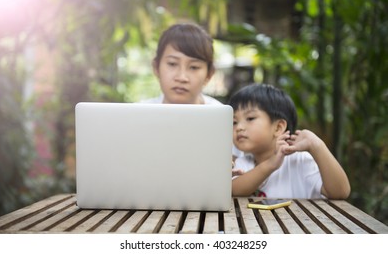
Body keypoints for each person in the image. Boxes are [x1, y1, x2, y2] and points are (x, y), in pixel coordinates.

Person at [140, 22, 243, 161]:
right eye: (172, 64)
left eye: (194, 67)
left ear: (209, 74)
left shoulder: (222, 121)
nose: (182, 77)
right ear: (156, 67)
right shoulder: (139, 115)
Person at [230, 83, 351, 199]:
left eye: (250, 118)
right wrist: (271, 164)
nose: (239, 127)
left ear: (278, 127)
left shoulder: (300, 161)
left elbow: (340, 192)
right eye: (234, 122)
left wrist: (316, 145)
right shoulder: (243, 163)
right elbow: (234, 190)